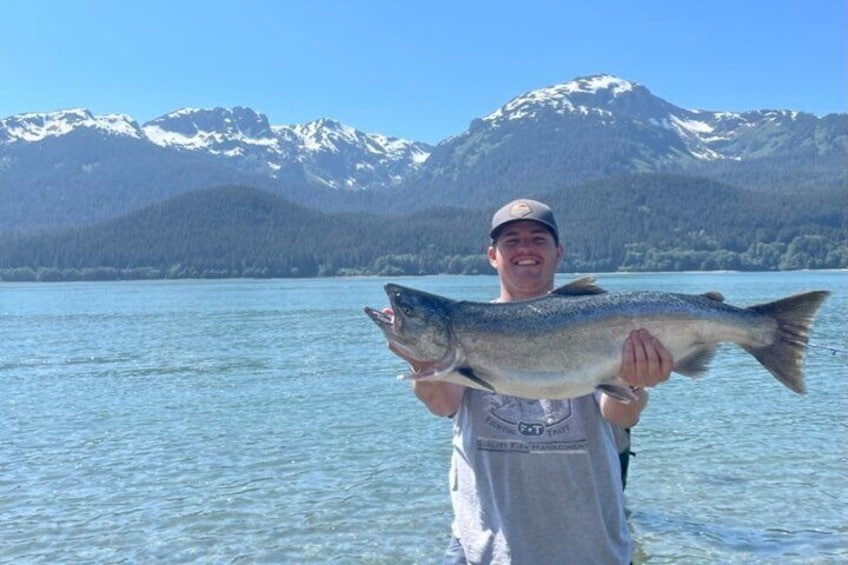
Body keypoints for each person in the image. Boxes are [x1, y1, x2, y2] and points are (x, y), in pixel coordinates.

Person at [386, 199, 673, 564]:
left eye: (538, 239)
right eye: (512, 241)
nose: (525, 249)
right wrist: (421, 361)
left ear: (559, 253)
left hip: (589, 546)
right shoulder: (467, 326)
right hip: (485, 548)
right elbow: (442, 403)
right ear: (492, 255)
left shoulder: (597, 322)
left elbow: (620, 416)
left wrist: (636, 383)